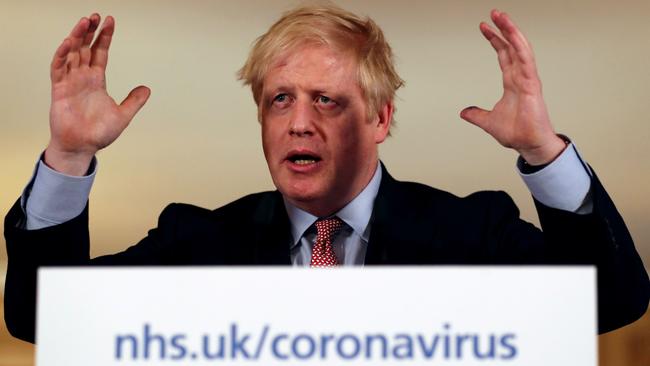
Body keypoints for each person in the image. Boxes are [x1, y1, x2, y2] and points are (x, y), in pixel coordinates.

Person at [4, 4, 648, 344]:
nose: (298, 122)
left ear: (380, 118)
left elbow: (613, 303)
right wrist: (68, 157)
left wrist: (543, 150)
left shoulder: (472, 232)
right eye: (279, 99)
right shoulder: (195, 243)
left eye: (328, 100)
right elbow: (46, 318)